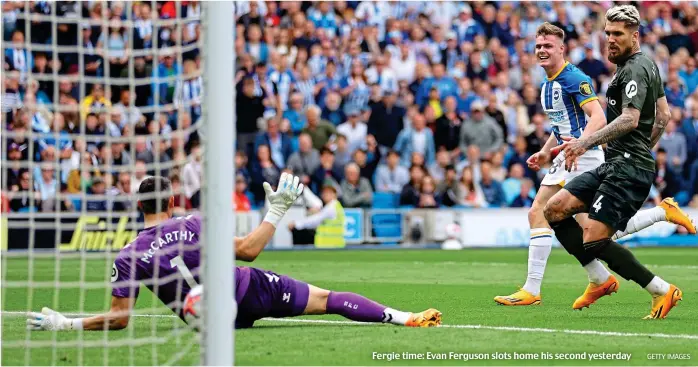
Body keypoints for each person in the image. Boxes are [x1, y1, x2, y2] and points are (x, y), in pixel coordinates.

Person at [27, 175, 442, 331]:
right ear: (172, 203)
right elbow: (249, 250)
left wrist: (68, 324)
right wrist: (275, 211)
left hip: (205, 322)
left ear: (139, 208)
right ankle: (405, 318)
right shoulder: (192, 223)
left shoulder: (126, 255)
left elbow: (120, 320)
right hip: (246, 291)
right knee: (328, 300)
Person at [495, 21, 695, 308]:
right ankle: (655, 219)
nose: (541, 50)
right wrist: (544, 152)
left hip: (582, 156)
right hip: (568, 154)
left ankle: (538, 287)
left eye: (548, 46)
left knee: (556, 218)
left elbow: (598, 117)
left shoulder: (574, 78)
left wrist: (580, 145)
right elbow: (560, 126)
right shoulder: (547, 83)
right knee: (588, 228)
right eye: (538, 46)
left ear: (562, 49)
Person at [544, 6, 692, 319]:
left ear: (634, 36)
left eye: (618, 35)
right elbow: (663, 116)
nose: (610, 40)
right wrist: (643, 149)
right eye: (608, 33)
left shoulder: (635, 69)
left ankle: (661, 290)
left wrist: (585, 142)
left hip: (627, 168)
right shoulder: (642, 64)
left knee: (594, 238)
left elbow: (629, 118)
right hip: (619, 163)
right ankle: (599, 279)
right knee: (554, 209)